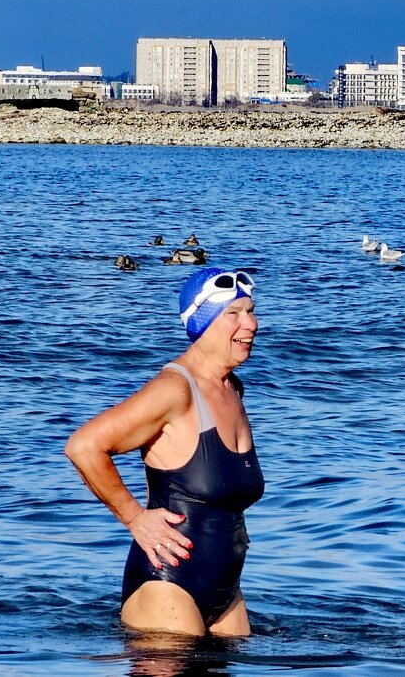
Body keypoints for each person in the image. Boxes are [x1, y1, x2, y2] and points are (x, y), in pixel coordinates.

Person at [65, 268, 264, 637]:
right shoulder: (176, 390)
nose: (250, 324)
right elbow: (84, 446)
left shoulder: (232, 388)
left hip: (226, 593)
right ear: (202, 323)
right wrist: (135, 519)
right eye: (233, 314)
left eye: (251, 311)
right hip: (167, 587)